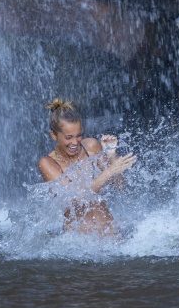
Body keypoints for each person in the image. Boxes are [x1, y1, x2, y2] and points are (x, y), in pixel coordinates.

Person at [37, 98, 137, 237]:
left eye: (78, 136)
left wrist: (112, 156)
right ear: (54, 135)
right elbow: (76, 200)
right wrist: (108, 171)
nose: (75, 143)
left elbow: (120, 186)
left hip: (112, 237)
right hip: (80, 245)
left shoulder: (90, 146)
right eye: (68, 137)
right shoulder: (47, 163)